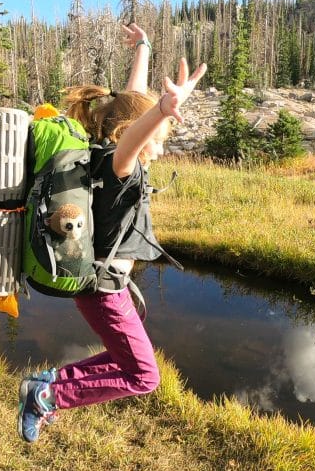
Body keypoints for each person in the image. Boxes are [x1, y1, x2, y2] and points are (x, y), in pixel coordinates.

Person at [17, 23, 207, 443]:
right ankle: (46, 396)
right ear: (136, 133)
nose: (163, 142)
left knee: (127, 359)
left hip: (103, 285)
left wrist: (143, 48)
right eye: (160, 135)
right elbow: (132, 134)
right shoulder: (120, 165)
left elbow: (126, 103)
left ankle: (48, 383)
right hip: (104, 289)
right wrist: (159, 110)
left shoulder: (102, 148)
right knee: (143, 375)